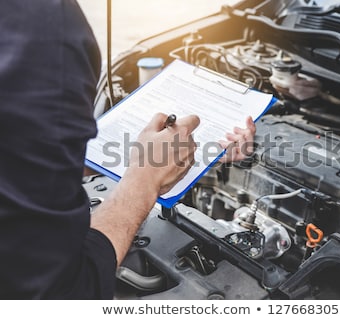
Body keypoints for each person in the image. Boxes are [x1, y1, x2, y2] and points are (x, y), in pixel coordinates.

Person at [0, 0, 255, 299]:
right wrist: (145, 178)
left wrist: (175, 157)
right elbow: (58, 296)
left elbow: (19, 160)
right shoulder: (39, 29)